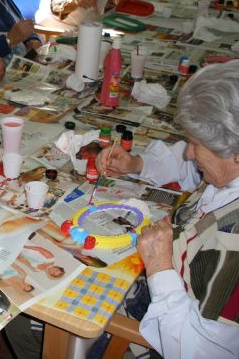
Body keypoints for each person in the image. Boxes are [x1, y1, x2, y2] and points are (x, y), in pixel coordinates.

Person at [97, 60, 239, 358]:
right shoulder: (227, 173)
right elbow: (186, 166)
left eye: (196, 144)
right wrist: (138, 164)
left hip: (162, 327)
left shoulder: (233, 243)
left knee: (32, 322)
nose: (189, 152)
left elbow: (198, 352)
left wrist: (160, 268)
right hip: (166, 284)